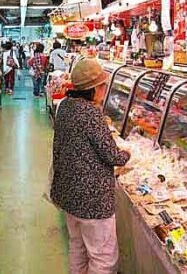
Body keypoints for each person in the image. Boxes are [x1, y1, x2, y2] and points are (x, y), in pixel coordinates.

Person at [51, 58, 130, 273]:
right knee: (103, 257)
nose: (105, 89)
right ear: (93, 88)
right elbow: (112, 155)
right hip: (91, 198)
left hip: (68, 191)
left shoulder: (66, 105)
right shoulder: (91, 113)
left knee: (78, 246)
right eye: (103, 85)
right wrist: (128, 154)